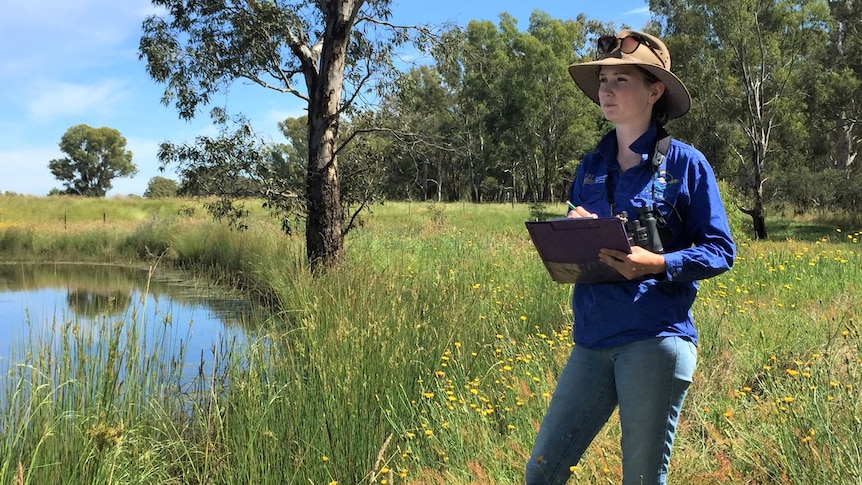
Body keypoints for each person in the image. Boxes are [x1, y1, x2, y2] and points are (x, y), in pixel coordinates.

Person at [524, 30, 736, 485]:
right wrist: (572, 234)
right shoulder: (590, 166)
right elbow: (577, 258)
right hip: (592, 340)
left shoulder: (686, 165)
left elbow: (721, 251)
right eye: (603, 80)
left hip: (654, 339)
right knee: (541, 473)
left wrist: (657, 264)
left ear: (654, 91)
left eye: (621, 79)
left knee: (640, 479)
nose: (607, 90)